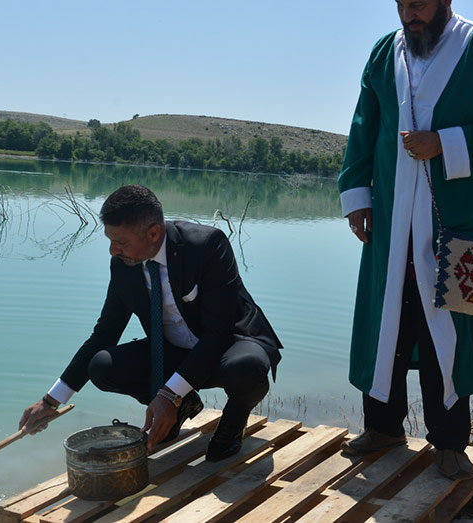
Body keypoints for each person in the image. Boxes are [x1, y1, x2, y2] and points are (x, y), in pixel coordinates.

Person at [339, 0, 473, 479]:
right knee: (386, 325)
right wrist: (358, 195)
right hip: (393, 225)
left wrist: (443, 143)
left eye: (417, 5)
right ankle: (383, 427)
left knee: (446, 331)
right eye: (401, 6)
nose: (408, 16)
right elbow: (364, 127)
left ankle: (449, 444)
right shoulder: (383, 52)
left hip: (456, 227)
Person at [19, 184, 282, 461]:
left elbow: (219, 332)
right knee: (102, 365)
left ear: (153, 233)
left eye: (120, 242)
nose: (112, 251)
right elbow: (105, 333)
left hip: (228, 347)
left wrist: (168, 393)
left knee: (249, 367)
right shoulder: (123, 264)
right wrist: (51, 401)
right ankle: (184, 404)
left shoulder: (207, 246)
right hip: (175, 353)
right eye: (109, 240)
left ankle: (232, 423)